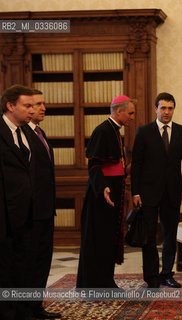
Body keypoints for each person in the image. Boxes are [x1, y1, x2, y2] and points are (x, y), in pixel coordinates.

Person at [130, 92, 182, 289]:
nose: (166, 112)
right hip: (147, 194)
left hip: (172, 193)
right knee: (148, 236)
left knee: (169, 235)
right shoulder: (144, 132)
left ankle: (167, 273)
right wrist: (135, 192)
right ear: (155, 109)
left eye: (170, 108)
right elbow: (136, 165)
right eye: (163, 108)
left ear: (174, 109)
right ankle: (151, 276)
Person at [76, 94, 136, 289]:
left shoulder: (114, 130)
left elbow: (114, 162)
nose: (132, 117)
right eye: (130, 113)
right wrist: (104, 188)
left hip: (113, 191)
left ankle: (106, 281)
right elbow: (94, 165)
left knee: (109, 239)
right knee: (99, 240)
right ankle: (96, 284)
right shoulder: (102, 130)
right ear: (119, 111)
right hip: (102, 195)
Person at [24, 89, 61, 319]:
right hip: (31, 211)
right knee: (30, 261)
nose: (42, 108)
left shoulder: (40, 133)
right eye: (37, 104)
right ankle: (27, 308)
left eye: (43, 103)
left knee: (43, 260)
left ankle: (36, 306)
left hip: (46, 209)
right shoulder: (23, 135)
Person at [0, 85, 36, 319]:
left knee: (23, 263)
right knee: (5, 266)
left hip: (26, 211)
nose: (32, 111)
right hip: (4, 213)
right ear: (11, 106)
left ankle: (22, 309)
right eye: (27, 106)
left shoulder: (27, 132)